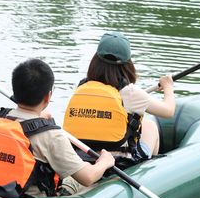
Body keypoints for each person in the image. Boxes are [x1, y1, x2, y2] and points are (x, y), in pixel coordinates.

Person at [0, 58, 115, 198]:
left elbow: (22, 123)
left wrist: (38, 117)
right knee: (85, 180)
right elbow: (87, 177)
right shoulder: (52, 136)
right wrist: (105, 162)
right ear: (48, 97)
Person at [63, 31, 175, 163]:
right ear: (127, 65)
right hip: (119, 162)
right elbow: (168, 111)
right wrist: (168, 86)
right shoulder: (131, 92)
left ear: (95, 61)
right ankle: (147, 168)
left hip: (80, 159)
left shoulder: (83, 87)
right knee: (150, 126)